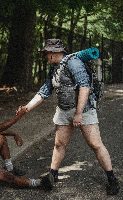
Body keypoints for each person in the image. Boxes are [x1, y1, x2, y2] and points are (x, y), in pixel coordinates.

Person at [16, 39, 120, 195]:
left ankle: (112, 180)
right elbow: (44, 91)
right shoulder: (54, 69)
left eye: (46, 53)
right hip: (64, 111)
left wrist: (78, 114)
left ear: (54, 52)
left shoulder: (74, 63)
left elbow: (84, 87)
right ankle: (52, 176)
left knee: (95, 144)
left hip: (83, 110)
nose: (45, 56)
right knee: (59, 144)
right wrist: (26, 108)